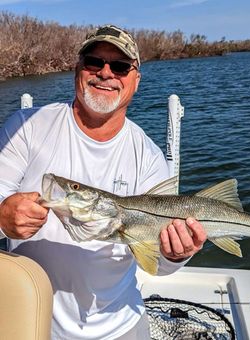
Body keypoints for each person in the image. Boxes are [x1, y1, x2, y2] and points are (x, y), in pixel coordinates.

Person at [0, 25, 207, 339]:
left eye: (121, 66)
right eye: (94, 62)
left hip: (120, 324)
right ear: (78, 69)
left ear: (135, 80)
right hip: (31, 321)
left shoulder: (148, 156)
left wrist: (177, 253)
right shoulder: (27, 127)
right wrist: (3, 215)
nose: (105, 73)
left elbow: (159, 267)